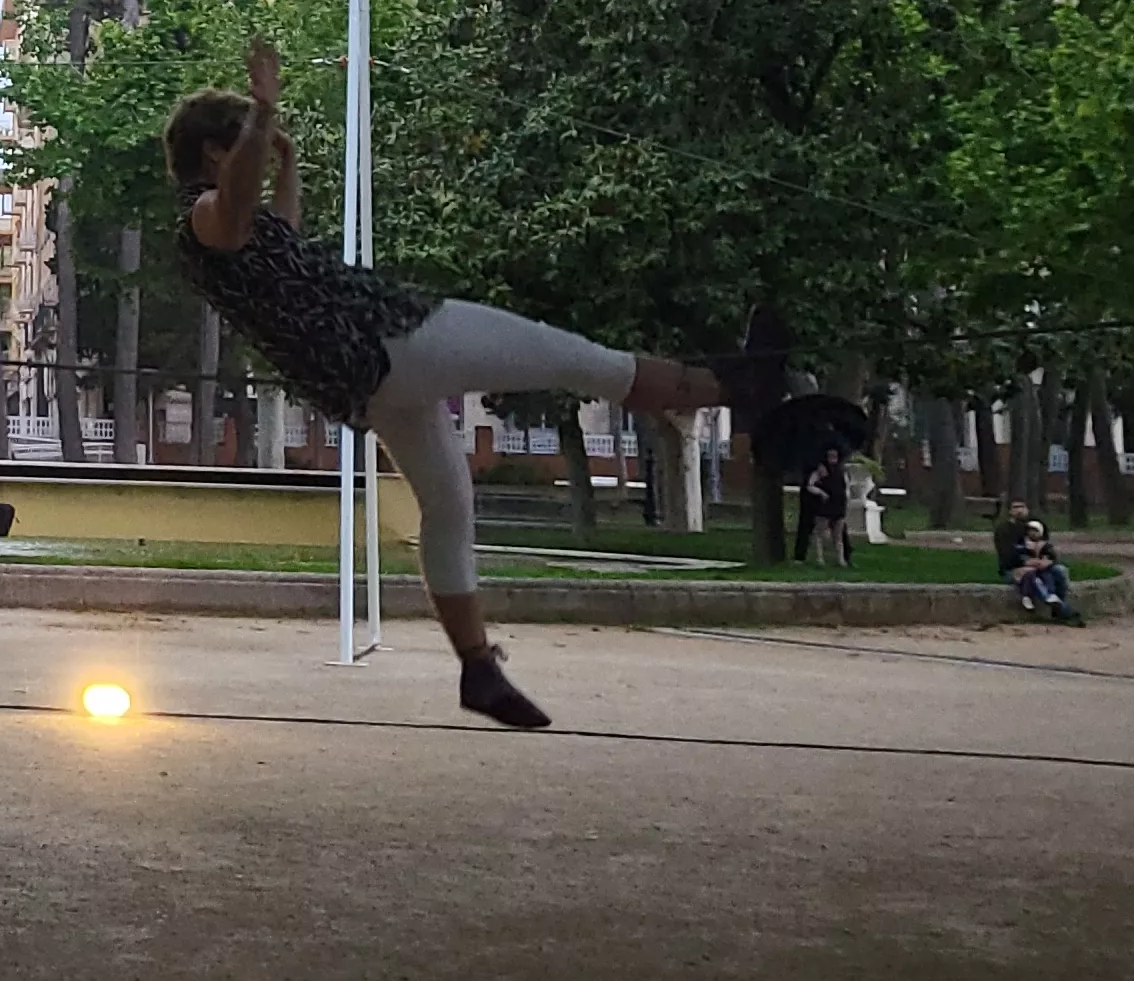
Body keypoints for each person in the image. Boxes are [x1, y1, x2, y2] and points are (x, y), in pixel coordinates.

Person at [171, 38, 727, 730]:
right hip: (390, 335)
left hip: (366, 377)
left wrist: (286, 161)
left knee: (449, 503)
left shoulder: (237, 232)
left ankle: (477, 669)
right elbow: (238, 205)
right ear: (215, 156)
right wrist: (262, 108)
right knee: (579, 360)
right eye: (240, 146)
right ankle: (733, 383)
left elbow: (278, 230)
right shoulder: (203, 219)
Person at [996, 500, 1081, 623]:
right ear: (1010, 511)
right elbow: (1007, 556)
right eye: (1015, 507)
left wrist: (1048, 561)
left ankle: (1057, 609)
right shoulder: (1003, 530)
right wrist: (1026, 563)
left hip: (1039, 566)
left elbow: (1047, 548)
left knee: (1060, 571)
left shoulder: (1035, 526)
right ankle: (1063, 610)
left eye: (1022, 506)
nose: (1019, 510)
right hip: (1014, 569)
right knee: (1035, 578)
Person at [796, 448, 852, 567]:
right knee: (819, 533)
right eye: (830, 456)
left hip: (838, 505)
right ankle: (820, 558)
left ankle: (841, 559)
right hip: (825, 505)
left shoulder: (842, 471)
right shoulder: (820, 470)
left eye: (835, 456)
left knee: (838, 535)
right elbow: (810, 485)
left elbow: (846, 487)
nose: (833, 458)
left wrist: (846, 499)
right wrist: (821, 493)